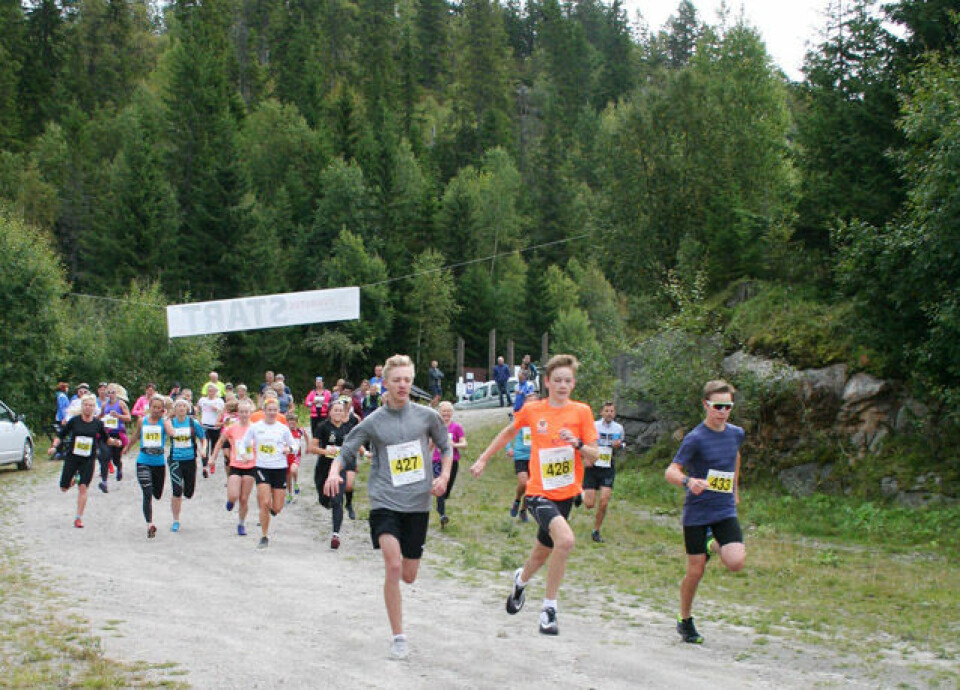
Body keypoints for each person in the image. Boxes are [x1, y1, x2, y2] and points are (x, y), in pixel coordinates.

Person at [323, 355, 451, 659]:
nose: (403, 385)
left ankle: (398, 629)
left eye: (407, 379)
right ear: (387, 383)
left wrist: (444, 475)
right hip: (385, 502)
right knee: (393, 566)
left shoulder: (426, 416)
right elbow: (346, 451)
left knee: (409, 574)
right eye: (397, 380)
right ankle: (399, 637)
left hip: (418, 504)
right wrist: (332, 472)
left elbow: (446, 447)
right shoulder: (373, 421)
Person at [471, 354, 598, 636]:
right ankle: (549, 609)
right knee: (565, 540)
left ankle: (520, 580)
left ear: (573, 384)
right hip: (538, 493)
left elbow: (595, 454)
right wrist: (483, 458)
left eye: (567, 380)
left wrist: (576, 443)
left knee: (542, 554)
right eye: (557, 380)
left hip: (566, 494)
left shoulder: (582, 412)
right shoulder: (534, 410)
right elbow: (507, 434)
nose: (562, 385)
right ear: (548, 383)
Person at [664, 380, 746, 644]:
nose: (722, 411)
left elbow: (735, 456)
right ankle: (684, 619)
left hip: (724, 510)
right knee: (695, 571)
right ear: (705, 405)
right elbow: (671, 471)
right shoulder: (695, 438)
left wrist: (734, 488)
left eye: (727, 406)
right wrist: (689, 481)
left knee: (736, 562)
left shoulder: (736, 433)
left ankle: (712, 544)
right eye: (717, 406)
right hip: (698, 513)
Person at [47, 394, 120, 528]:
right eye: (85, 405)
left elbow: (106, 439)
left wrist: (115, 442)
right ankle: (73, 479)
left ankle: (78, 518)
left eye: (91, 405)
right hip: (72, 457)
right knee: (63, 488)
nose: (88, 408)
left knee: (83, 488)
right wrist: (53, 447)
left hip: (88, 459)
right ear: (82, 407)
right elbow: (60, 436)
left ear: (94, 408)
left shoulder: (98, 424)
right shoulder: (74, 421)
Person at [241, 398, 297, 549]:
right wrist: (245, 455)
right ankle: (264, 536)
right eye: (269, 410)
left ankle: (271, 512)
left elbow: (295, 445)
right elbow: (244, 443)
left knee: (277, 507)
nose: (272, 412)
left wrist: (289, 450)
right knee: (265, 502)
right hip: (261, 467)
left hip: (279, 468)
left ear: (278, 411)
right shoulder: (256, 427)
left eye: (275, 410)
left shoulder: (283, 428)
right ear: (264, 411)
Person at [130, 395, 176, 538]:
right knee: (147, 492)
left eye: (158, 407)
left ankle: (150, 520)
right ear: (149, 407)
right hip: (143, 461)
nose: (155, 410)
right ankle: (149, 524)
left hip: (159, 463)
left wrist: (167, 419)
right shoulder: (142, 421)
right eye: (153, 407)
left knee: (157, 494)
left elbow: (171, 434)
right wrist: (126, 448)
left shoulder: (164, 422)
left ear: (162, 409)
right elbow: (136, 436)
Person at [211, 398, 256, 536]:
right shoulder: (232, 427)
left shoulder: (255, 428)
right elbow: (220, 441)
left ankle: (241, 524)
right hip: (235, 465)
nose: (244, 414)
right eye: (241, 412)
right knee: (233, 495)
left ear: (250, 413)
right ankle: (230, 501)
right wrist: (213, 457)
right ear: (238, 413)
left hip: (250, 466)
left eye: (246, 412)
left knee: (244, 498)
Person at [310, 399, 351, 549]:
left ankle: (335, 535)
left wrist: (365, 453)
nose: (338, 413)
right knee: (324, 499)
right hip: (323, 468)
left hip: (340, 469)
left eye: (341, 410)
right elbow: (312, 448)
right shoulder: (323, 427)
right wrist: (326, 451)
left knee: (338, 501)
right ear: (330, 412)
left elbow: (355, 446)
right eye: (336, 410)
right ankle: (326, 500)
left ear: (345, 413)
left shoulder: (348, 428)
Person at [582, 401, 625, 543]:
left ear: (615, 413)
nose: (609, 414)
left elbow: (623, 444)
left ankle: (596, 531)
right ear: (601, 413)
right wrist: (586, 457)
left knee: (604, 501)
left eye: (612, 411)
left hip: (608, 466)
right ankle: (578, 493)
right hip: (593, 466)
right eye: (606, 411)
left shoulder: (618, 428)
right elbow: (584, 443)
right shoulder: (594, 426)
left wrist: (619, 445)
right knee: (589, 504)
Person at [168, 398, 205, 532]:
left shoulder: (193, 423)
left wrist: (204, 450)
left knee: (188, 493)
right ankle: (176, 520)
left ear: (188, 408)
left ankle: (186, 494)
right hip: (175, 460)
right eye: (179, 406)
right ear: (175, 409)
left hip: (190, 460)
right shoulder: (171, 423)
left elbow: (203, 438)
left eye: (184, 406)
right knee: (177, 490)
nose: (181, 408)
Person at [432, 401, 465, 528]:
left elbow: (464, 443)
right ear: (439, 413)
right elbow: (429, 444)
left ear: (452, 413)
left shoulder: (456, 427)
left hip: (453, 461)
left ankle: (440, 504)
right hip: (437, 460)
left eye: (448, 411)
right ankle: (442, 515)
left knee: (447, 490)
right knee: (441, 486)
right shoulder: (434, 427)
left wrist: (453, 445)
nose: (446, 414)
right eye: (443, 411)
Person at [100, 384, 132, 487]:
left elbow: (129, 418)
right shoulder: (104, 405)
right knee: (105, 456)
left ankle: (119, 467)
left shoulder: (121, 404)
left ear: (116, 393)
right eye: (108, 393)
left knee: (116, 457)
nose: (110, 395)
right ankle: (104, 481)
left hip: (118, 433)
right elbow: (101, 416)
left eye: (113, 392)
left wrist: (118, 416)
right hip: (107, 433)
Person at [197, 384, 225, 478]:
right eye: (209, 390)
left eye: (213, 391)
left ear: (216, 392)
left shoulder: (219, 401)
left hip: (215, 427)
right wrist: (198, 419)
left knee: (214, 447)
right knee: (205, 446)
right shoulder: (202, 400)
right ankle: (204, 467)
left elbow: (223, 413)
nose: (211, 392)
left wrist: (216, 409)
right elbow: (197, 409)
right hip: (205, 426)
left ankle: (212, 463)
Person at [507, 426, 531, 523]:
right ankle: (517, 501)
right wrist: (508, 448)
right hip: (520, 456)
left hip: (535, 457)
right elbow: (508, 434)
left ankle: (523, 510)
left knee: (531, 487)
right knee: (524, 483)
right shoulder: (521, 420)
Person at [285, 410, 304, 503]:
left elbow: (307, 437)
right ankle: (289, 494)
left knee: (293, 470)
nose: (292, 424)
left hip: (296, 456)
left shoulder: (300, 430)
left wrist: (308, 446)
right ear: (287, 423)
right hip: (287, 456)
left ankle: (296, 483)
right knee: (288, 476)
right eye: (290, 422)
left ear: (297, 423)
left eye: (294, 422)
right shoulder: (285, 432)